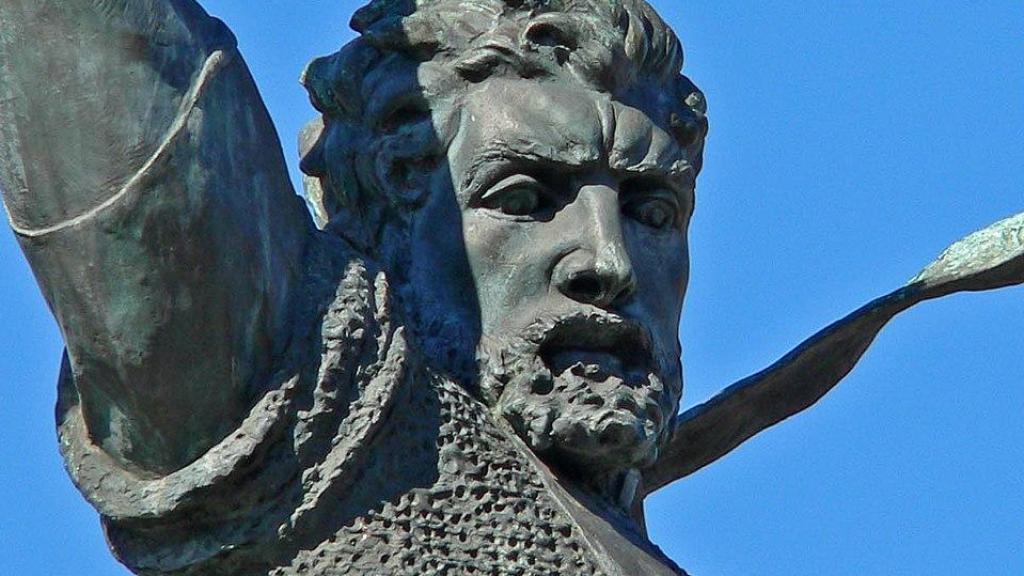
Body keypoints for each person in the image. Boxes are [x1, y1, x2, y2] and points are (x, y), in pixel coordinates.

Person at [1, 1, 1020, 575]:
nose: (605, 261)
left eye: (651, 211)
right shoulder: (311, 419)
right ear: (380, 221)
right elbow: (105, 70)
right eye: (527, 195)